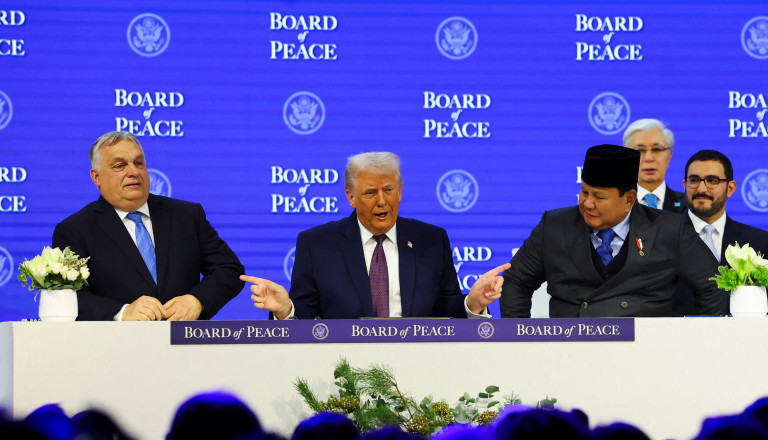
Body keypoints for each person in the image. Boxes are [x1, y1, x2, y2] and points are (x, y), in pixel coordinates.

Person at [241, 152, 509, 319]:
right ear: (351, 197)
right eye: (370, 193)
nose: (382, 201)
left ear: (400, 192)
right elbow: (307, 314)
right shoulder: (317, 244)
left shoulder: (431, 240)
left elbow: (445, 309)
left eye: (389, 190)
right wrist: (285, 310)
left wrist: (472, 303)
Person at [500, 144, 727, 318]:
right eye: (584, 193)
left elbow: (714, 285)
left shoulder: (670, 229)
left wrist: (697, 342)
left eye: (599, 197)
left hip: (646, 350)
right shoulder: (554, 225)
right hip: (571, 347)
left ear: (629, 199)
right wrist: (521, 340)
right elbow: (516, 281)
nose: (588, 203)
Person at [52, 131, 244, 321]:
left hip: (183, 338)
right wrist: (122, 312)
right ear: (96, 177)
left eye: (138, 163)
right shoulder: (74, 230)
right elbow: (66, 297)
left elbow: (229, 269)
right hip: (116, 340)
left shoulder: (187, 216)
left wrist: (197, 300)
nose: (134, 172)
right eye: (120, 166)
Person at [674, 150, 768, 315]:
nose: (701, 188)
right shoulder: (661, 238)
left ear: (730, 188)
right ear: (684, 185)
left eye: (712, 180)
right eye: (694, 180)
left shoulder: (760, 242)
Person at [623, 118, 687, 212]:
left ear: (669, 156)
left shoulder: (690, 206)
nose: (649, 158)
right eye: (640, 150)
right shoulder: (615, 206)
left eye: (657, 149)